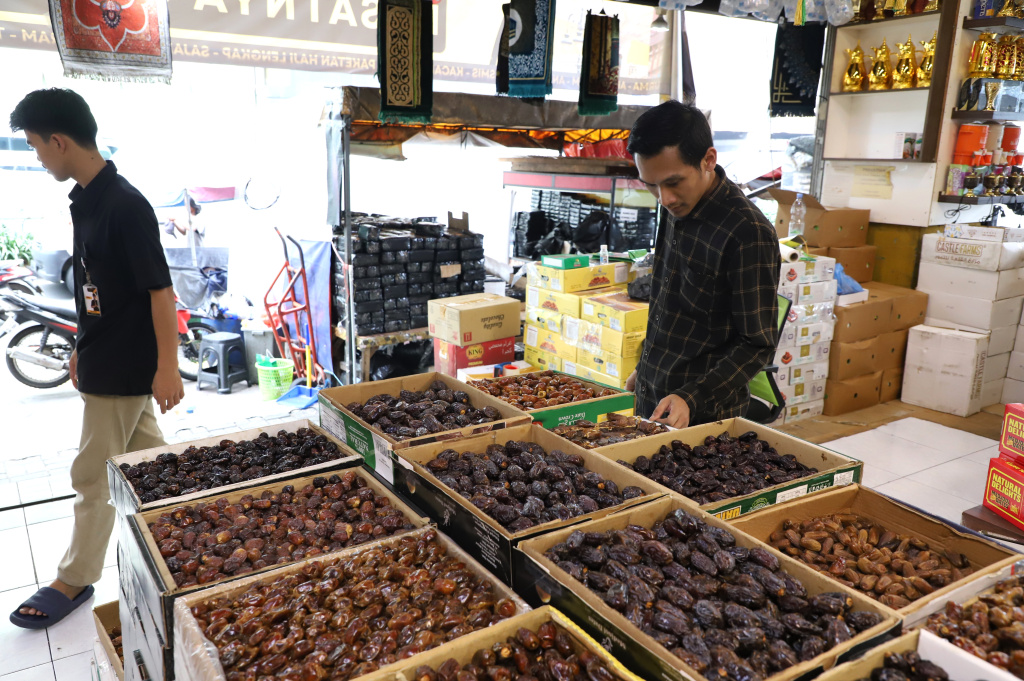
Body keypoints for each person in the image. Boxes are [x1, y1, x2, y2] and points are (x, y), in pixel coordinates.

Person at [8, 88, 185, 629]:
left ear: (60, 141)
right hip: (103, 358)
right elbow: (94, 289)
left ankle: (75, 577)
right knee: (152, 465)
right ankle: (187, 536)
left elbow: (160, 292)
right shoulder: (86, 201)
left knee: (92, 475)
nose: (38, 158)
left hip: (126, 367)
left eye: (38, 148)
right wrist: (81, 348)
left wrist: (169, 366)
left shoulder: (126, 206)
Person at [624, 101, 780, 429]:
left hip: (705, 417)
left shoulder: (747, 233)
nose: (663, 198)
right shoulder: (676, 206)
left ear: (708, 159)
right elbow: (670, 302)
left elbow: (757, 344)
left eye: (672, 182)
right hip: (653, 397)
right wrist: (647, 367)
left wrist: (691, 396)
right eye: (650, 185)